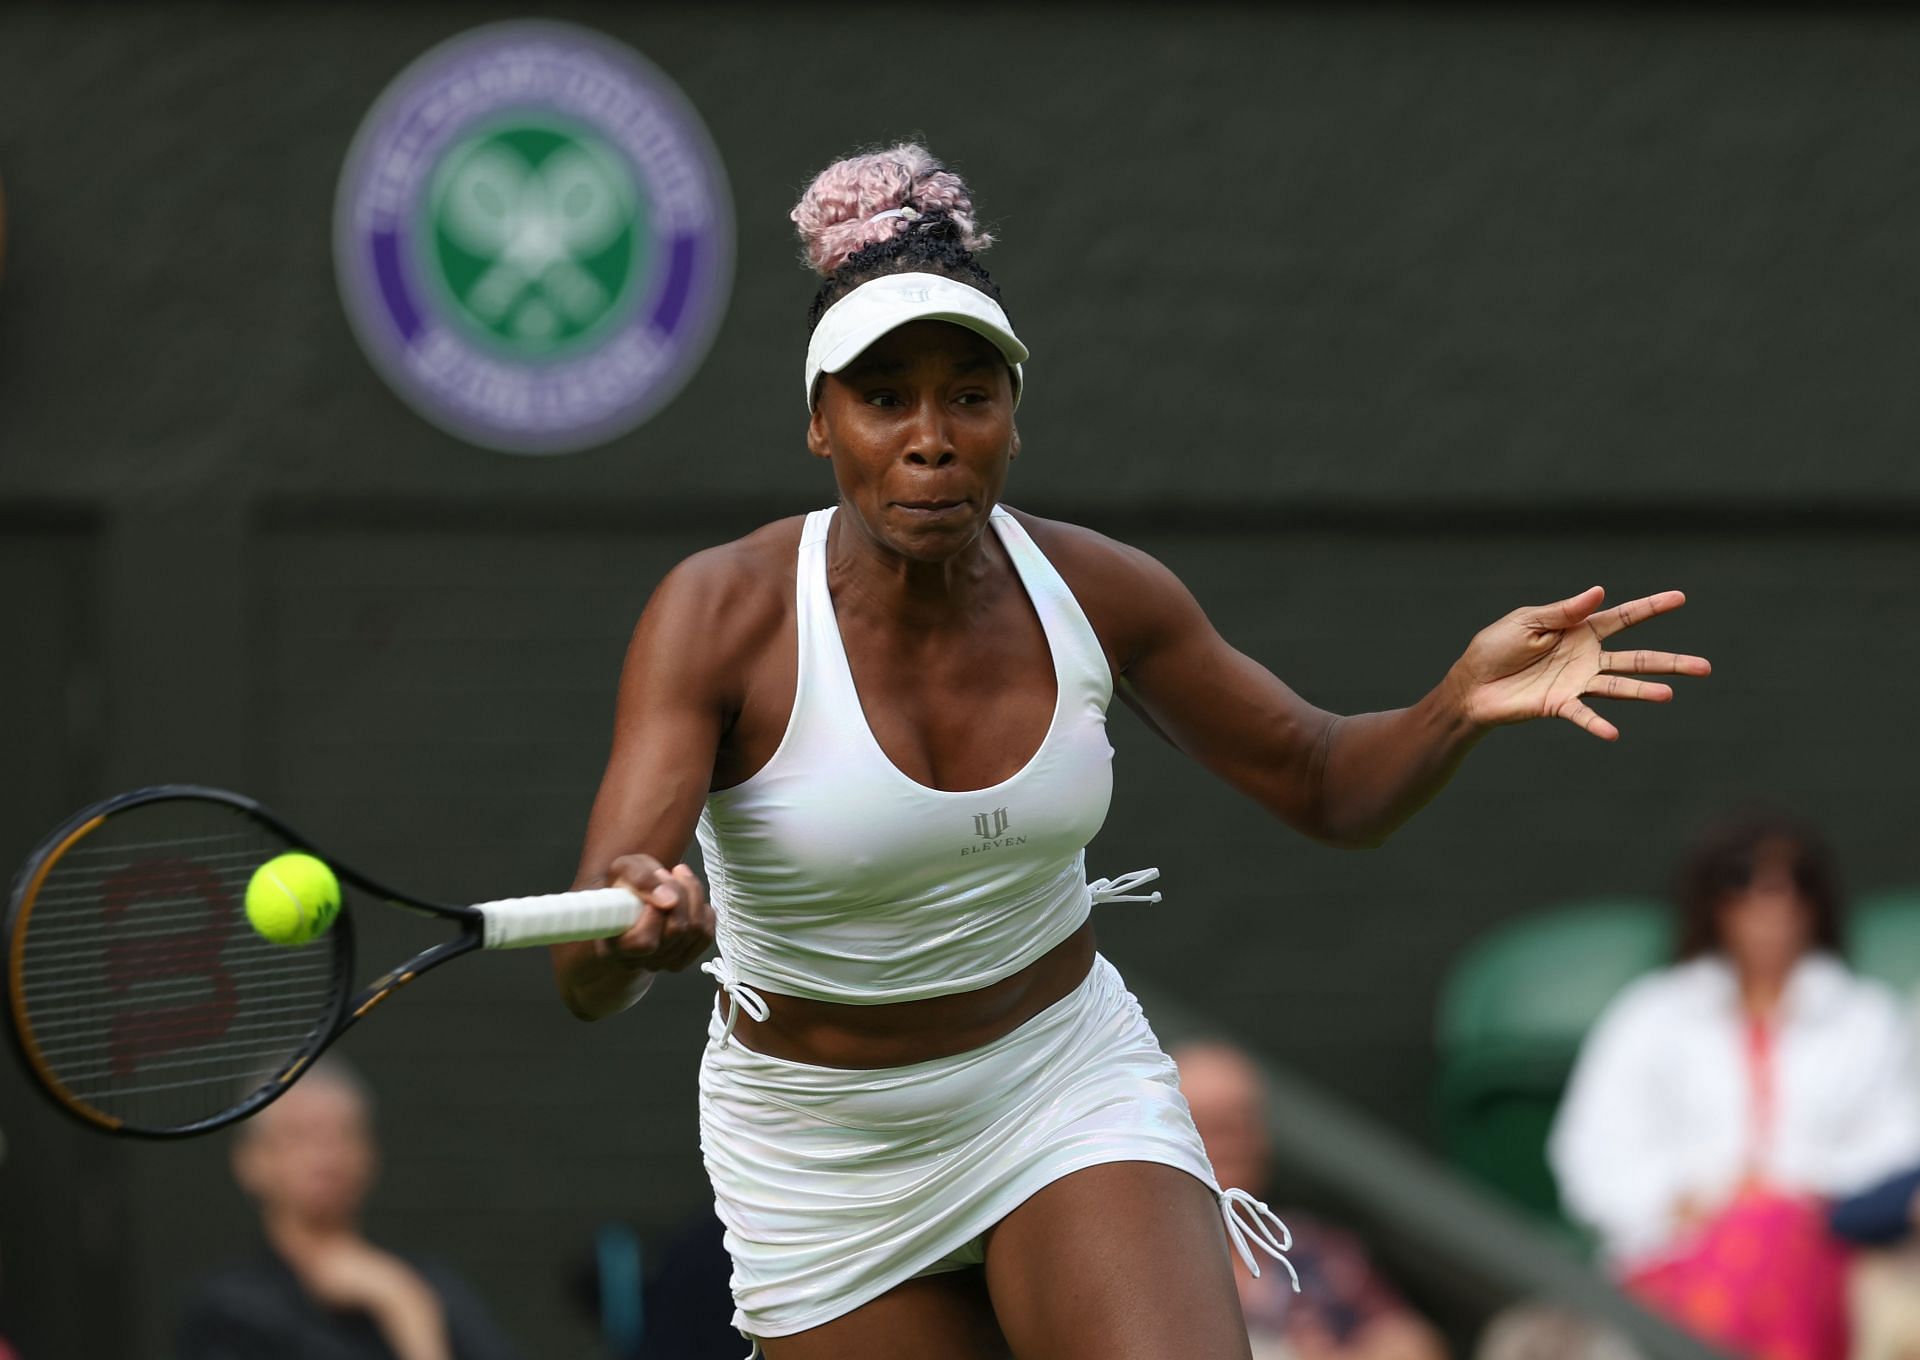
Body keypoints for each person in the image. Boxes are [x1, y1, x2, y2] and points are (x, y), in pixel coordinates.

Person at [551, 141, 1708, 1360]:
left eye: (971, 394)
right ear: (820, 425)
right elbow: (591, 956)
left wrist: (1453, 704)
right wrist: (640, 933)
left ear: (1012, 414)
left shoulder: (1102, 590)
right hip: (823, 1149)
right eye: (885, 396)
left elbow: (1324, 780)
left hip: (1061, 1084)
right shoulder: (719, 612)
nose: (931, 437)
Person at [1548, 815, 1920, 1360]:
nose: (1775, 901)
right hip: (1673, 1258)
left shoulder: (1870, 1019)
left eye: (1798, 881)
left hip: (1826, 1255)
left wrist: (1789, 1195)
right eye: (1744, 879)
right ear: (1712, 898)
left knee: (1771, 1231)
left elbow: (1901, 1142)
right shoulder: (1649, 1016)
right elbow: (1591, 1155)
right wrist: (1694, 1198)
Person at [175, 1057, 519, 1360]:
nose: (327, 1157)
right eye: (299, 1137)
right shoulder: (228, 1312)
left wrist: (405, 1310)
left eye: (342, 1136)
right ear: (252, 1162)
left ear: (370, 1155)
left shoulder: (428, 1290)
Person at [1173, 1041, 1449, 1360]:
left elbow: (1414, 1344)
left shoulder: (1315, 1253)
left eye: (1243, 1125)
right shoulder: (1145, 1260)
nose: (1234, 1146)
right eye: (1211, 1128)